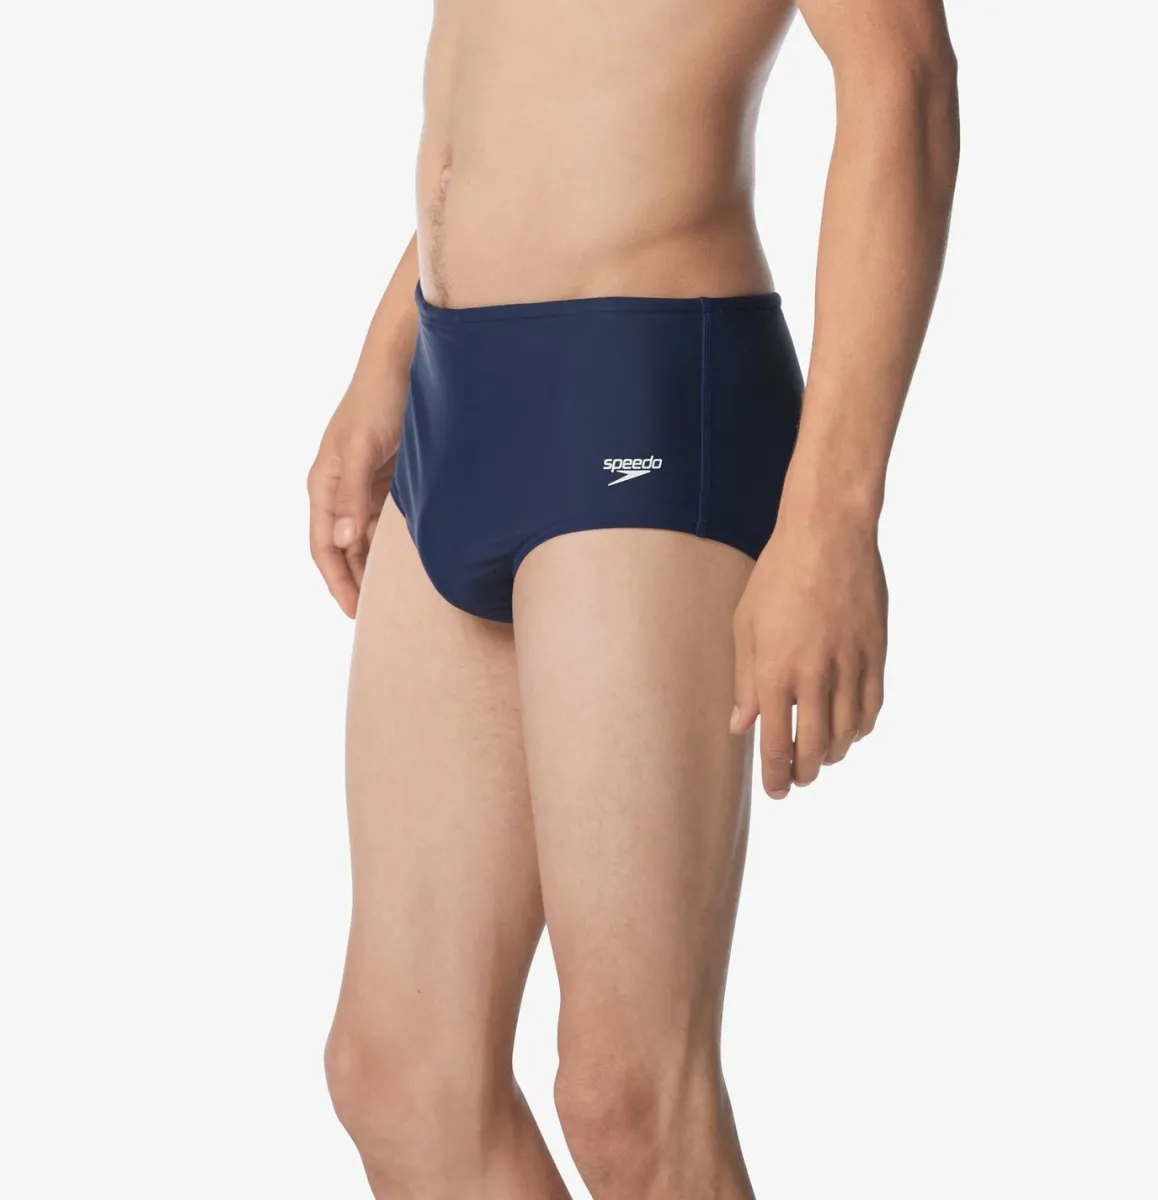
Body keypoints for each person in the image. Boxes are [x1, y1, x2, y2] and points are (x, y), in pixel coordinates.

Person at [307, 0, 958, 1194]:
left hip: (643, 385)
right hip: (455, 389)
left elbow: (902, 80)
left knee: (628, 1097)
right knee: (401, 1075)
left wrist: (832, 513)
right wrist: (385, 355)